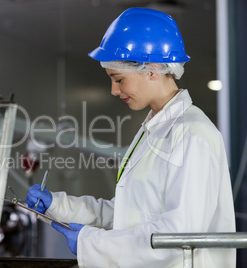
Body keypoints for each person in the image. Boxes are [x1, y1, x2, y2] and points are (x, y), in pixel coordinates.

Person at [25, 7, 236, 268]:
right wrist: (58, 206)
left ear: (152, 70)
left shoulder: (194, 134)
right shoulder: (153, 130)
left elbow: (177, 236)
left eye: (118, 79)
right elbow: (128, 214)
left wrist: (91, 243)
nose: (114, 90)